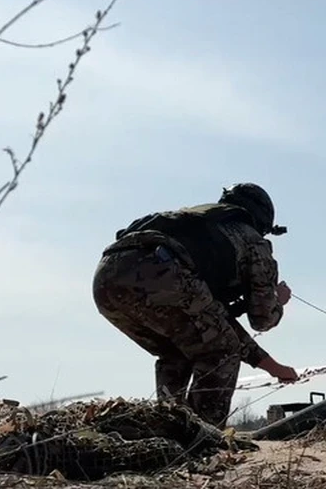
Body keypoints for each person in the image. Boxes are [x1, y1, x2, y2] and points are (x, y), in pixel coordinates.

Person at [91, 182, 299, 428]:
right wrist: (279, 301)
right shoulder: (252, 240)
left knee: (177, 351)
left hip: (106, 279)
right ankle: (202, 438)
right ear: (262, 219)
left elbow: (215, 323)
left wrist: (272, 367)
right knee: (220, 352)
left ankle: (169, 430)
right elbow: (261, 320)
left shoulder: (202, 226)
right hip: (162, 273)